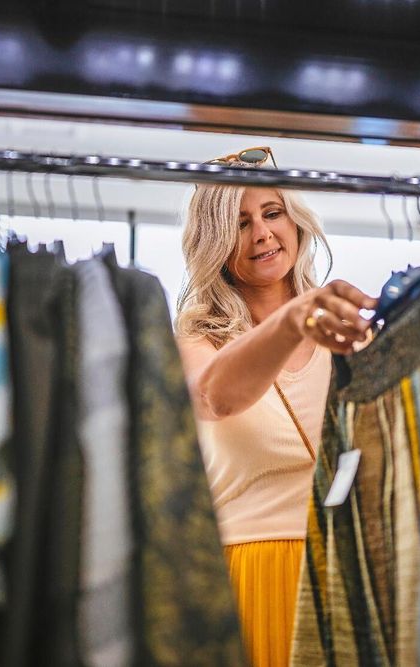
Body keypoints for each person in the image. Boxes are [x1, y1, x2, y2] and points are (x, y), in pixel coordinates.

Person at [175, 146, 377, 666]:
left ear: (296, 221)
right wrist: (293, 321)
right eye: (241, 224)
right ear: (216, 242)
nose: (263, 234)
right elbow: (215, 397)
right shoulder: (198, 337)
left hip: (345, 564)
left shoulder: (347, 328)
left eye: (272, 213)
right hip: (252, 571)